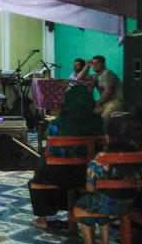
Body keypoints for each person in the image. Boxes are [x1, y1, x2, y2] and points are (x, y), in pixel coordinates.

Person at [29, 85, 103, 230]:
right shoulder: (98, 123)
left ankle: (42, 219)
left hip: (58, 175)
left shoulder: (57, 124)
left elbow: (49, 145)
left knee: (41, 170)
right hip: (90, 175)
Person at [73, 115, 142, 244]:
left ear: (108, 137)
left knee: (82, 208)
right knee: (101, 207)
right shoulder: (140, 157)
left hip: (106, 204)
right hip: (132, 204)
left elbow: (90, 187)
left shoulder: (101, 159)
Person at [90, 56, 123, 120]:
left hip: (116, 102)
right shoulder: (96, 76)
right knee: (90, 113)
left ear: (103, 64)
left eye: (97, 63)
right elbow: (80, 79)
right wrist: (87, 66)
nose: (94, 65)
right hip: (105, 103)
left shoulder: (107, 73)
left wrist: (98, 103)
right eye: (93, 63)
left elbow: (107, 90)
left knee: (103, 118)